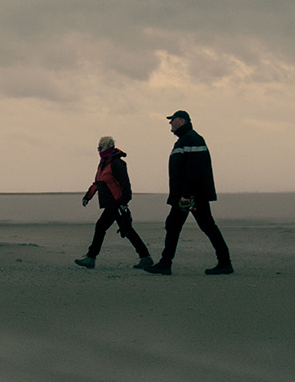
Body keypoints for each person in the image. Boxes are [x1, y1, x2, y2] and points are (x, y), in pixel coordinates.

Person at [146, 110, 232, 275]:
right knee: (176, 225)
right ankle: (166, 263)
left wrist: (186, 194)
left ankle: (224, 262)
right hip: (187, 195)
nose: (170, 123)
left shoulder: (192, 139)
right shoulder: (184, 140)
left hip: (191, 197)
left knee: (201, 226)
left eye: (173, 120)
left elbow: (195, 169)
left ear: (182, 121)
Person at [74, 135, 152, 270]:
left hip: (116, 203)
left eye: (100, 147)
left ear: (108, 147)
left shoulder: (116, 164)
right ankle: (145, 257)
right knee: (125, 229)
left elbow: (125, 184)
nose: (98, 150)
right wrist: (88, 196)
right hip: (111, 204)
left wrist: (123, 202)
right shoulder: (103, 164)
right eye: (98, 147)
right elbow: (97, 183)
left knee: (105, 227)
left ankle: (91, 258)